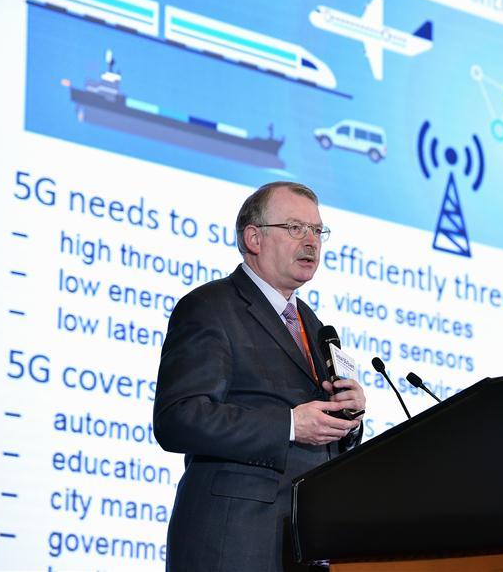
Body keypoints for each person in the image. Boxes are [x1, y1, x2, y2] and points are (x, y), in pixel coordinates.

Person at [154, 182, 366, 571]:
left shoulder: (313, 325)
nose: (311, 242)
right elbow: (178, 418)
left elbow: (314, 431)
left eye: (317, 231)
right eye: (295, 228)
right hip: (233, 541)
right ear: (253, 237)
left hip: (305, 546)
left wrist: (346, 421)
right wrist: (288, 425)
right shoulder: (210, 307)